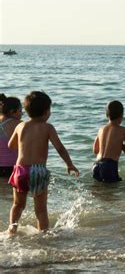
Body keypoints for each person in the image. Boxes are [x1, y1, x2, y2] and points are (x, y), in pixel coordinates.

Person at [7, 91, 79, 234]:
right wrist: (69, 164)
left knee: (17, 204)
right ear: (46, 112)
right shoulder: (48, 127)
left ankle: (12, 230)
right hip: (38, 171)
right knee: (40, 210)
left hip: (20, 170)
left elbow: (11, 146)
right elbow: (60, 148)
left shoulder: (20, 126)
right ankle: (43, 235)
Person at [92, 100, 125, 183]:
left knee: (99, 192)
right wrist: (121, 145)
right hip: (110, 165)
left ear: (107, 115)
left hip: (96, 164)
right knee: (111, 193)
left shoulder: (101, 129)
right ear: (122, 115)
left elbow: (95, 150)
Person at [0, 94, 22, 177]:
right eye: (20, 111)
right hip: (12, 167)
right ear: (13, 111)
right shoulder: (19, 124)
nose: (21, 114)